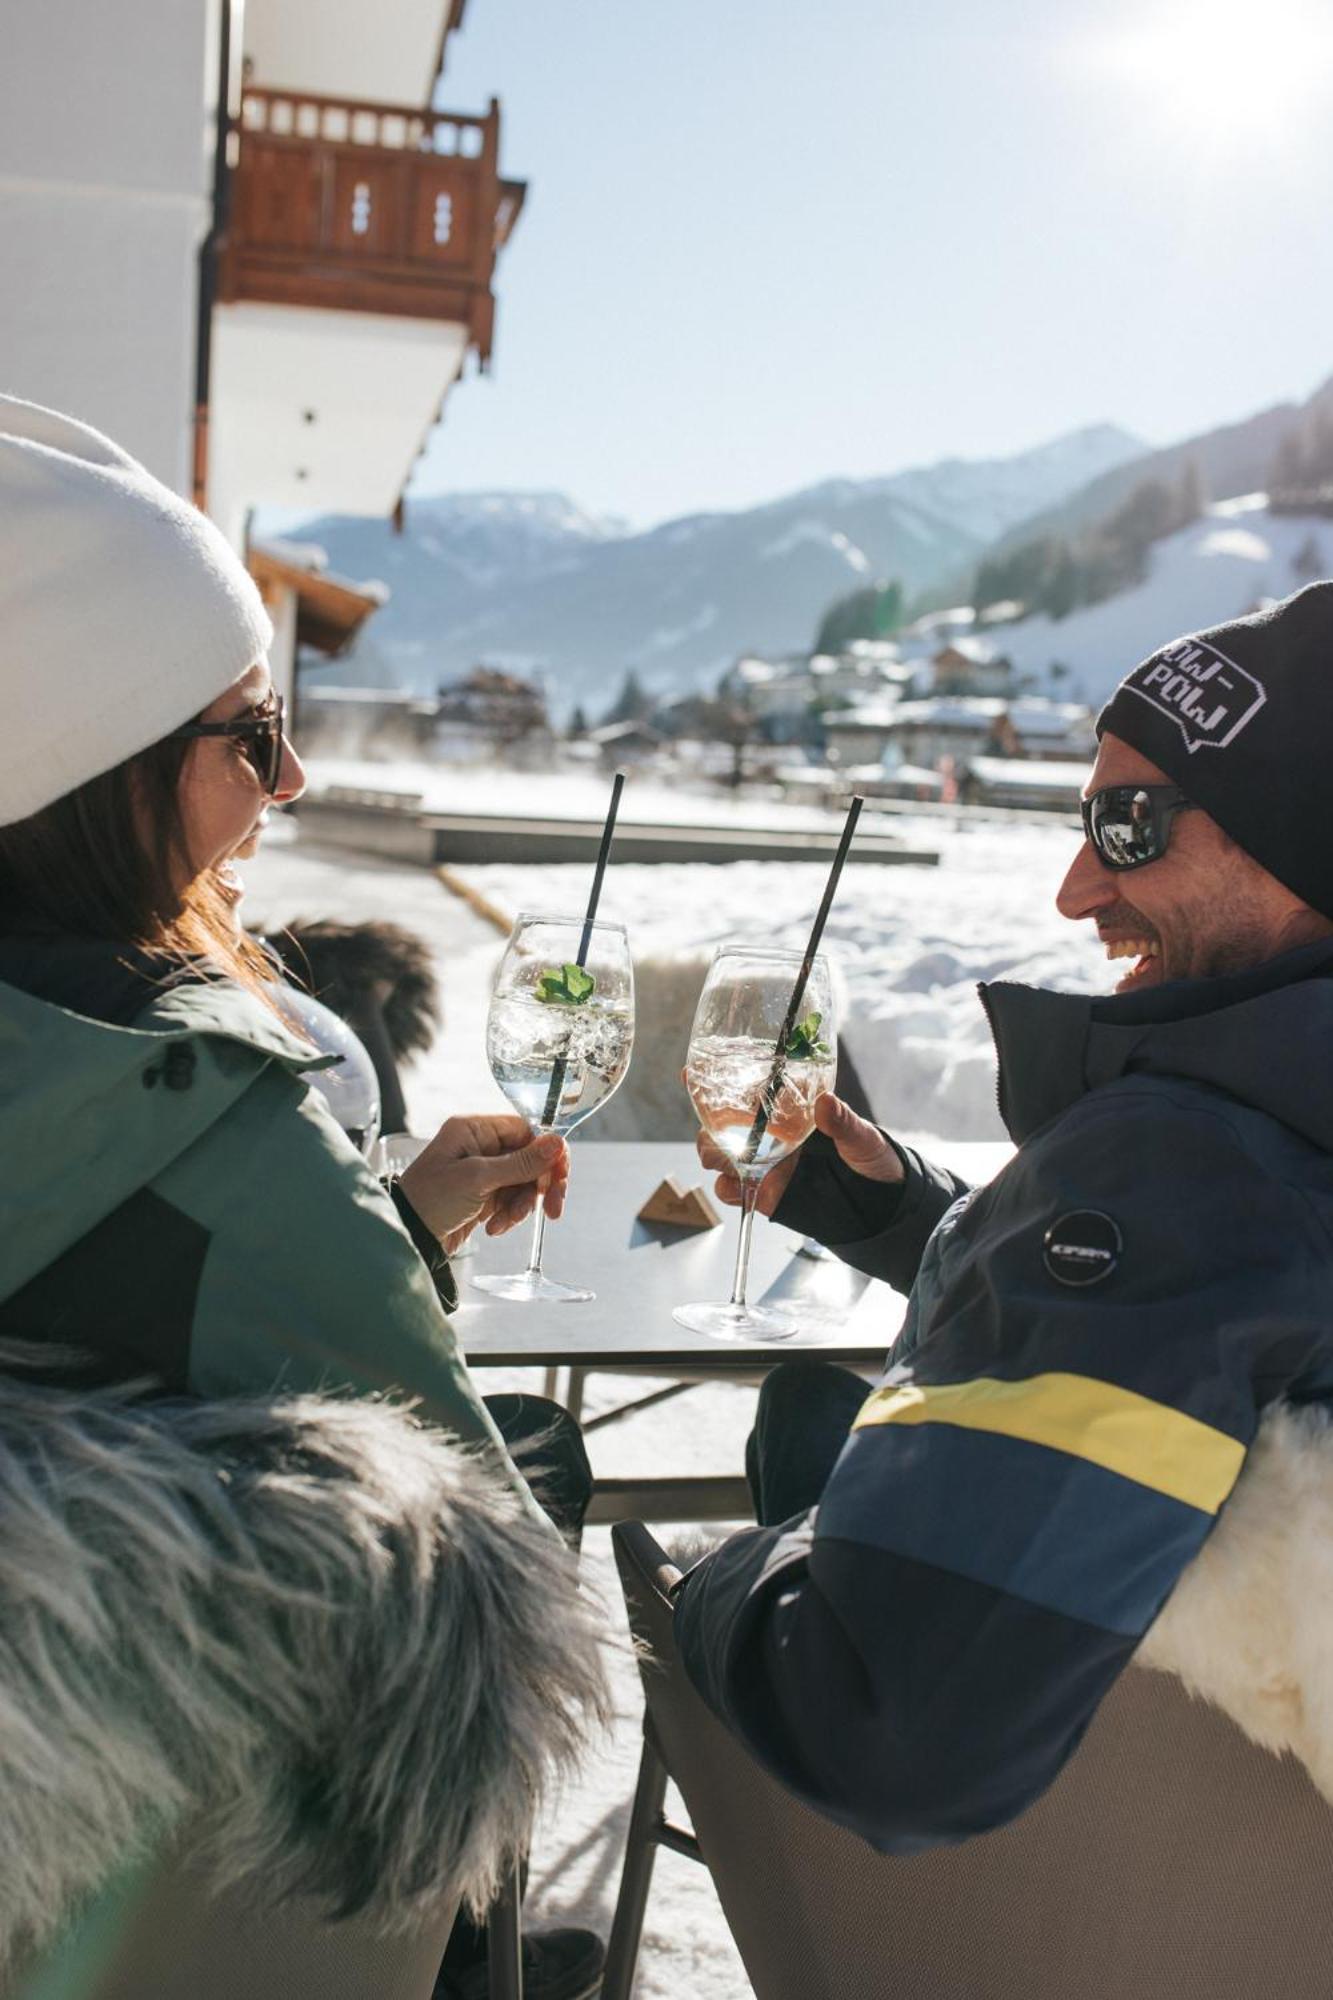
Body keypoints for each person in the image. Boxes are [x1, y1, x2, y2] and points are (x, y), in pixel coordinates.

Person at [0, 396, 602, 2000]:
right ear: (90, 771)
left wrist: (379, 1226)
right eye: (251, 733)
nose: (294, 773)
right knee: (539, 1474)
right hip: (199, 1927)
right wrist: (339, 1235)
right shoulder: (227, 1137)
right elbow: (493, 1660)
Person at [675, 582, 1333, 1852]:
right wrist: (901, 1212)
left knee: (796, 1427)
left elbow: (884, 1730)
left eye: (1130, 825)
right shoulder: (1252, 1147)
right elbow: (1191, 1314)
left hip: (1068, 1892)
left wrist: (717, 1564)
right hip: (1250, 1891)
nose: (1075, 889)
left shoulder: (1178, 1162)